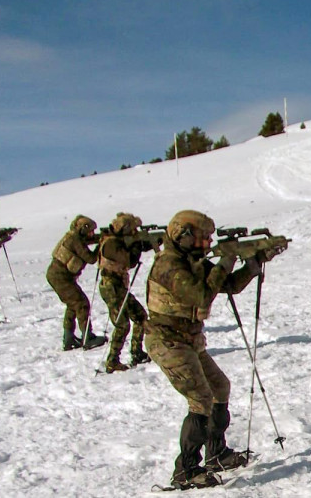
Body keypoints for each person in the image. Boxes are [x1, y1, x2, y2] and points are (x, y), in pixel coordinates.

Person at [146, 209, 262, 489]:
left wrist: (254, 263)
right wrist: (228, 258)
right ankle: (185, 470)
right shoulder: (169, 264)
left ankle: (216, 453)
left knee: (219, 387)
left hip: (189, 340)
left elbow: (229, 285)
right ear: (182, 235)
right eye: (202, 238)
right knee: (200, 398)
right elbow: (200, 294)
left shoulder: (192, 261)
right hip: (168, 341)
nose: (207, 244)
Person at [98, 212, 156, 372]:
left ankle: (136, 352)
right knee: (122, 325)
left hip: (118, 287)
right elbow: (129, 261)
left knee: (140, 316)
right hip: (112, 287)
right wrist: (137, 246)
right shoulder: (111, 244)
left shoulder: (115, 241)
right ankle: (112, 361)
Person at [47, 215, 106, 351]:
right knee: (81, 303)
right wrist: (100, 245)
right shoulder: (75, 240)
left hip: (58, 276)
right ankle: (87, 337)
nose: (92, 234)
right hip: (60, 277)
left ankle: (69, 338)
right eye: (90, 231)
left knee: (73, 304)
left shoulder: (73, 237)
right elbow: (91, 258)